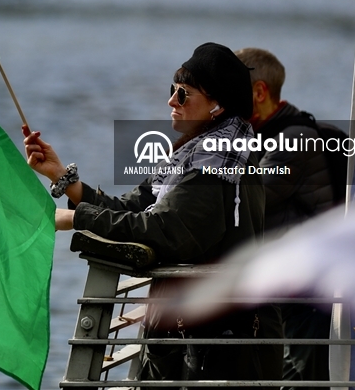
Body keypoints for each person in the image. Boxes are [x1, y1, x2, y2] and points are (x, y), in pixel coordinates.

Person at [24, 42, 281, 384]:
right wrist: (63, 178)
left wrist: (75, 219)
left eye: (184, 94)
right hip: (197, 337)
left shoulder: (215, 163)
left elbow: (165, 230)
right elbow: (133, 208)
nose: (171, 101)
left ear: (217, 106)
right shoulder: (198, 154)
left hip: (215, 345)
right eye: (172, 90)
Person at [235, 47, 333, 390]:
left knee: (298, 377)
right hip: (284, 284)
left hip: (307, 286)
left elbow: (247, 198)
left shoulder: (293, 140)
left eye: (232, 92)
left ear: (259, 92)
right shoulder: (261, 135)